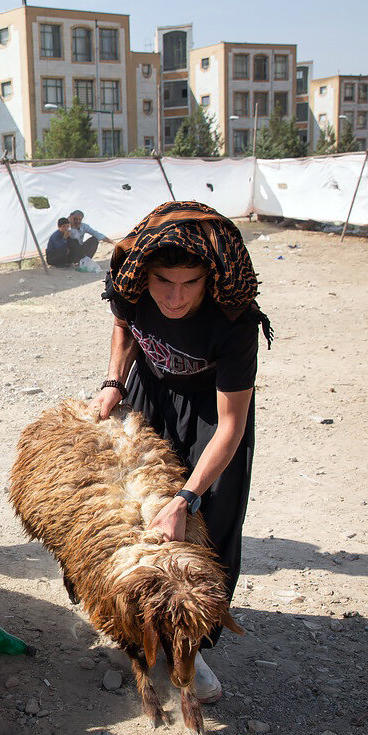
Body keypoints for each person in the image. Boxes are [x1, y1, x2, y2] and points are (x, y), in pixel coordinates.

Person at [95, 199, 274, 703]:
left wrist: (188, 497)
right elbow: (123, 324)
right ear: (145, 276)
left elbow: (233, 423)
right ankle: (139, 627)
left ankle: (191, 647)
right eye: (163, 283)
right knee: (133, 514)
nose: (174, 298)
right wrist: (114, 380)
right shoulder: (133, 287)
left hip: (211, 416)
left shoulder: (232, 323)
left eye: (189, 284)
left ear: (209, 279)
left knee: (208, 527)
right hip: (151, 391)